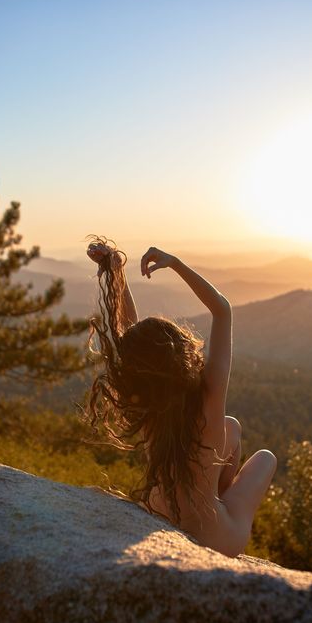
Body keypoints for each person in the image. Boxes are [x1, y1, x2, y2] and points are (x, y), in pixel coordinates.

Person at [86, 237, 277, 557]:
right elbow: (222, 309)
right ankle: (213, 499)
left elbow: (125, 331)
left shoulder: (145, 403)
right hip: (218, 540)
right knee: (265, 458)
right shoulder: (209, 396)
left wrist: (114, 271)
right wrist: (174, 263)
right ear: (183, 353)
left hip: (162, 516)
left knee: (231, 427)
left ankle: (209, 497)